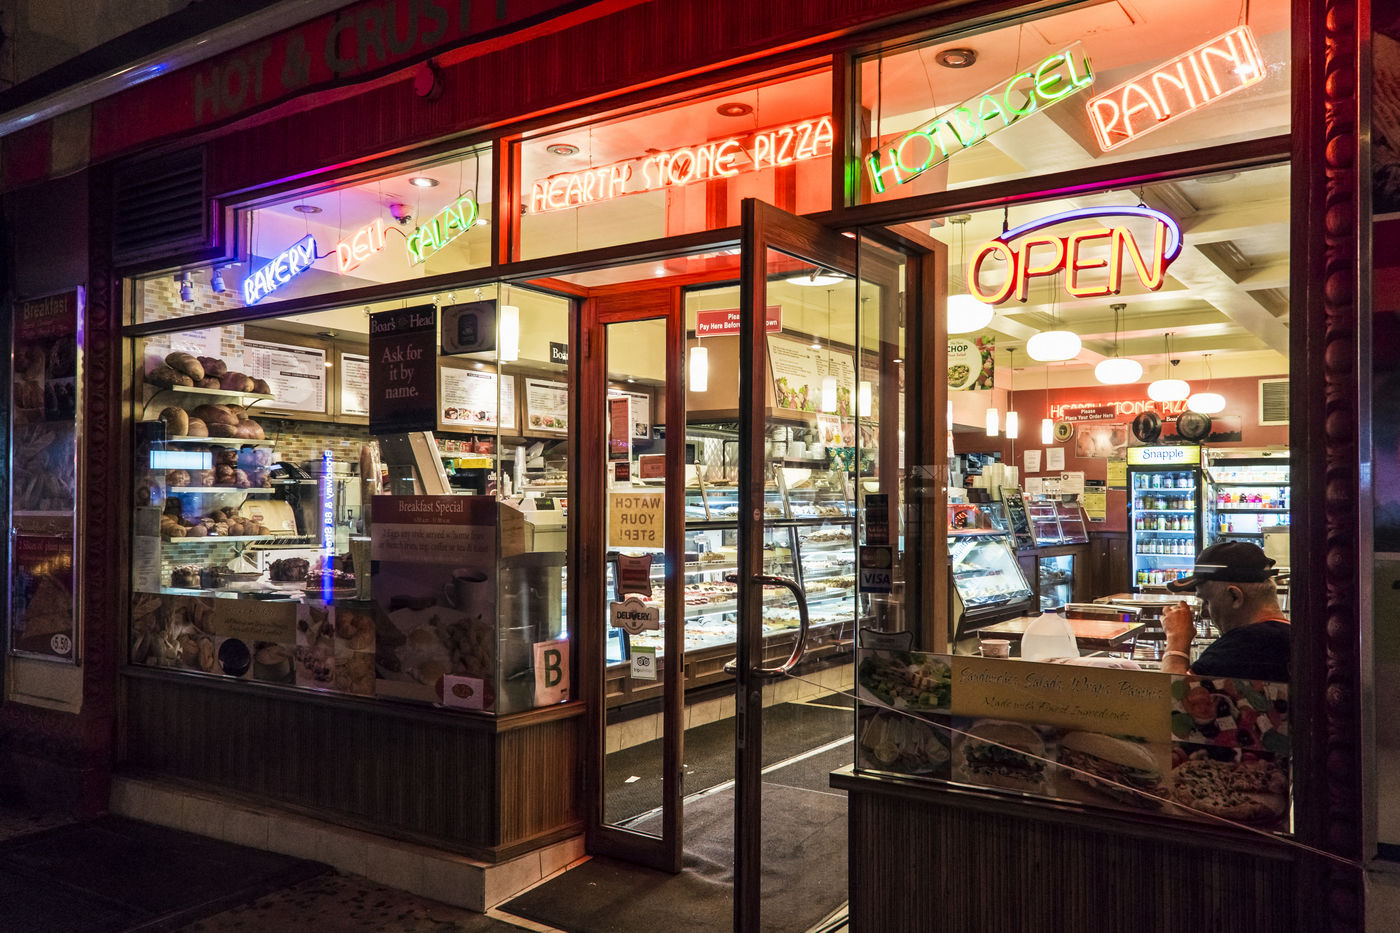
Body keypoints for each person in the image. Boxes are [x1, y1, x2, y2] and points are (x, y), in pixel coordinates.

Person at [1160, 541, 1290, 681]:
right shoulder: (1291, 636)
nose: (1205, 613)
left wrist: (1176, 642)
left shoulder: (1241, 647)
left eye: (1207, 601)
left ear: (1235, 596)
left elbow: (1172, 691)